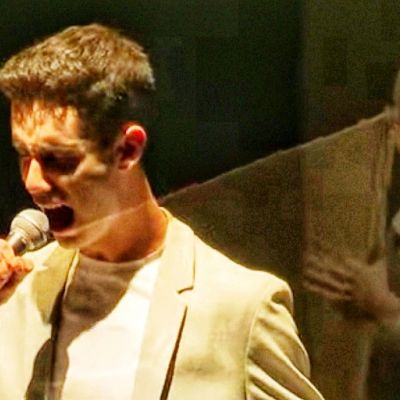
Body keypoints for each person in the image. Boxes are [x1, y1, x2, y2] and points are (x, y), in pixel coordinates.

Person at [0, 24, 323, 400]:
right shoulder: (18, 291)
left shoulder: (241, 308)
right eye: (24, 155)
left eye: (57, 158)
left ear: (127, 150)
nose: (34, 182)